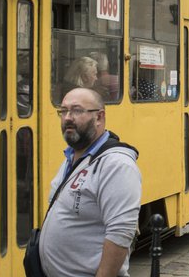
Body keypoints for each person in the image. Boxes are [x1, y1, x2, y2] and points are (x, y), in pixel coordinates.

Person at [38, 88, 141, 277]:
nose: (68, 117)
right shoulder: (73, 157)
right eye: (63, 111)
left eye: (77, 110)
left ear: (99, 117)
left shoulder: (116, 164)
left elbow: (121, 232)